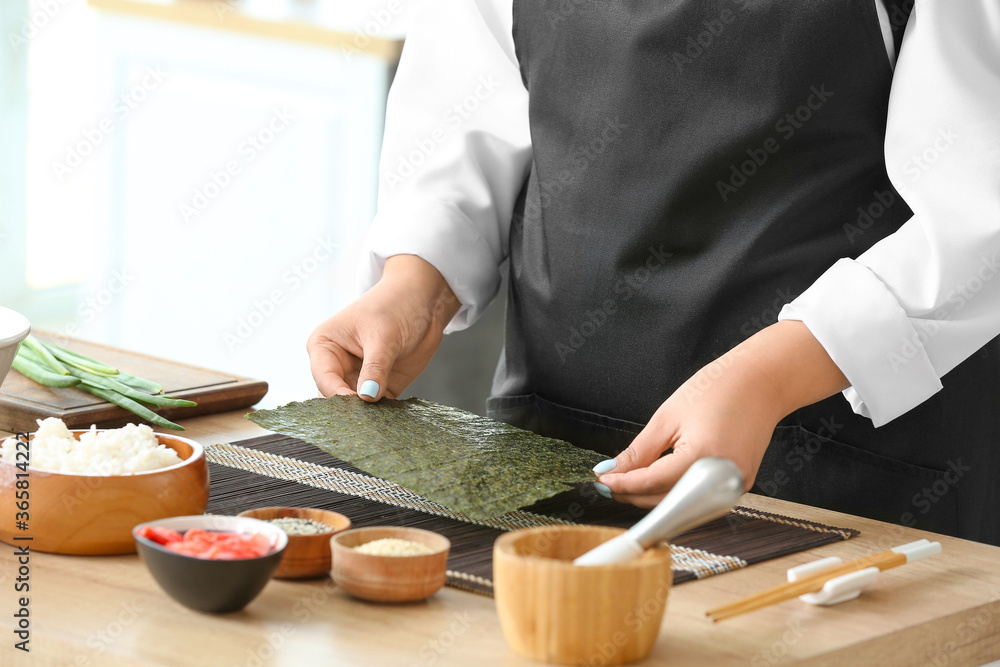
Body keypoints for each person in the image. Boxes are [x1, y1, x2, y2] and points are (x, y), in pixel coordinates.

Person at [308, 0, 1000, 545]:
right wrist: (415, 284)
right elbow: (473, 100)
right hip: (548, 446)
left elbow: (981, 216)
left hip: (835, 471)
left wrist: (764, 381)